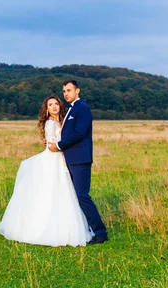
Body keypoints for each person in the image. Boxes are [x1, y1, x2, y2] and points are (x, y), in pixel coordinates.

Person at [0, 95, 94, 246]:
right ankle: (47, 228)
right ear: (47, 109)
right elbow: (52, 144)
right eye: (51, 105)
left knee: (67, 192)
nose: (54, 107)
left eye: (56, 104)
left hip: (64, 157)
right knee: (53, 191)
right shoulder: (50, 124)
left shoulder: (63, 121)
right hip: (54, 159)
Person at [48, 80, 108, 244]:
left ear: (77, 90)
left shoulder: (83, 109)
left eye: (69, 90)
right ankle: (86, 228)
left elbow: (79, 133)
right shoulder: (70, 110)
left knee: (82, 195)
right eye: (64, 91)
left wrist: (59, 145)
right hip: (71, 158)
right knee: (74, 195)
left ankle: (100, 232)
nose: (66, 93)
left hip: (80, 159)